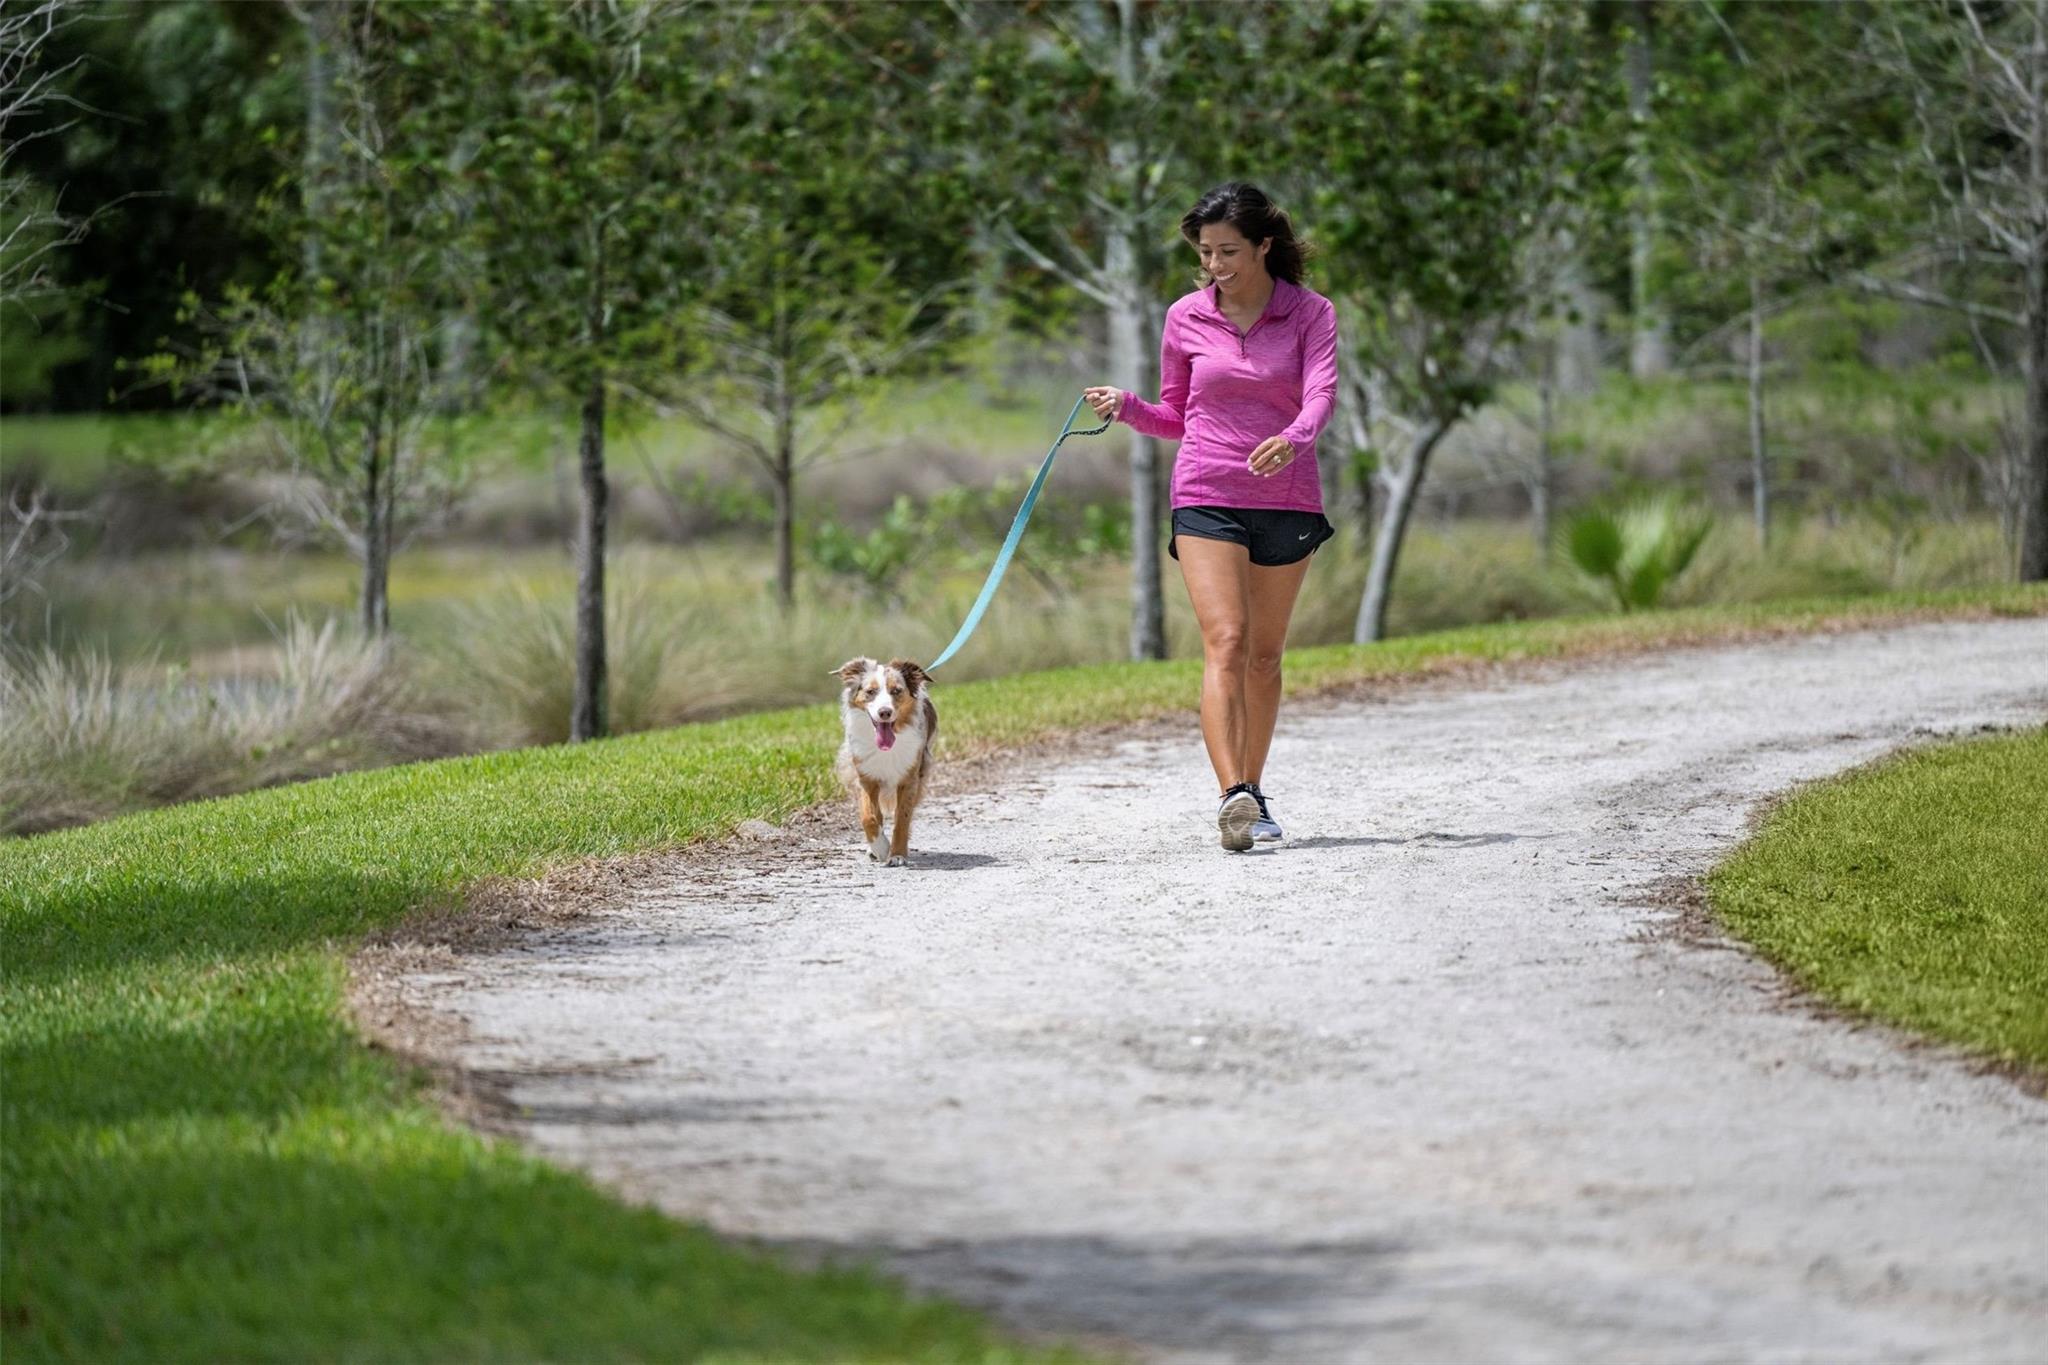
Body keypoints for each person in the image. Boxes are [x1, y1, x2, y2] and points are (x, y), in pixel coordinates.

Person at [1083, 181, 1338, 853]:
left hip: (1287, 497)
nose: (1216, 266)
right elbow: (1174, 413)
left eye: (1228, 251)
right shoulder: (1186, 317)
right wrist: (1127, 406)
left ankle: (1256, 786)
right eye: (1205, 253)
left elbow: (1321, 393)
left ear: (1262, 245)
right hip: (1204, 492)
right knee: (1225, 640)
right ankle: (1234, 796)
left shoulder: (1311, 313)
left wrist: (1297, 435)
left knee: (1264, 655)